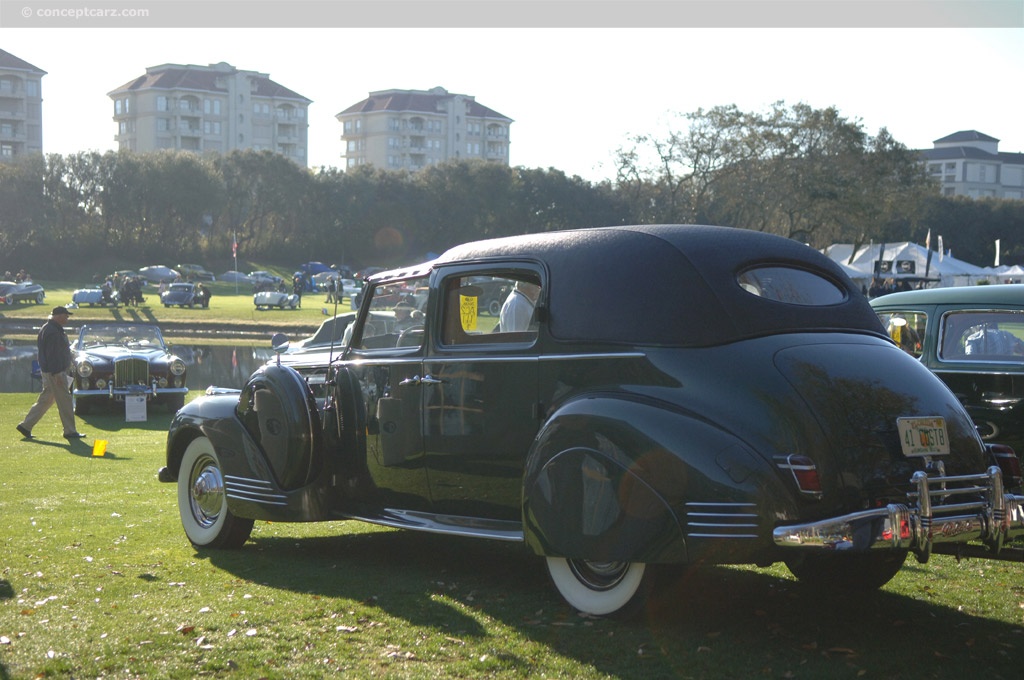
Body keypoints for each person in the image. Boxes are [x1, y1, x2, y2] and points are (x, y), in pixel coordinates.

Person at [17, 306, 85, 440]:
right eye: (66, 316)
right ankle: (70, 431)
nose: (67, 318)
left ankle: (25, 426)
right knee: (65, 401)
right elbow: (53, 355)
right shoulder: (53, 331)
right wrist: (57, 373)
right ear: (58, 316)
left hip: (50, 372)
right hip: (56, 372)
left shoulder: (49, 328)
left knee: (45, 400)